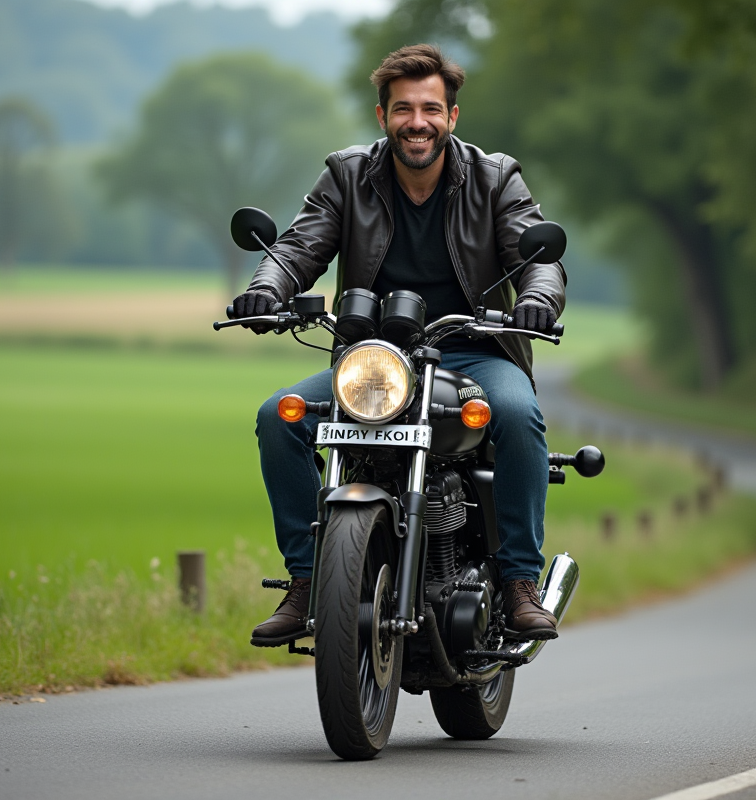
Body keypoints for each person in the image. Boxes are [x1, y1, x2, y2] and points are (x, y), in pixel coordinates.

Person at [237, 44, 566, 647]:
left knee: (517, 416)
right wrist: (265, 288)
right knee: (277, 417)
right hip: (375, 361)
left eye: (431, 109)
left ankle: (519, 581)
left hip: (475, 355)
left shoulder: (495, 178)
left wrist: (538, 297)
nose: (418, 122)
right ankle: (310, 578)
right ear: (382, 116)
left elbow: (537, 257)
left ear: (453, 117)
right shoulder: (347, 174)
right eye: (404, 109)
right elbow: (299, 246)